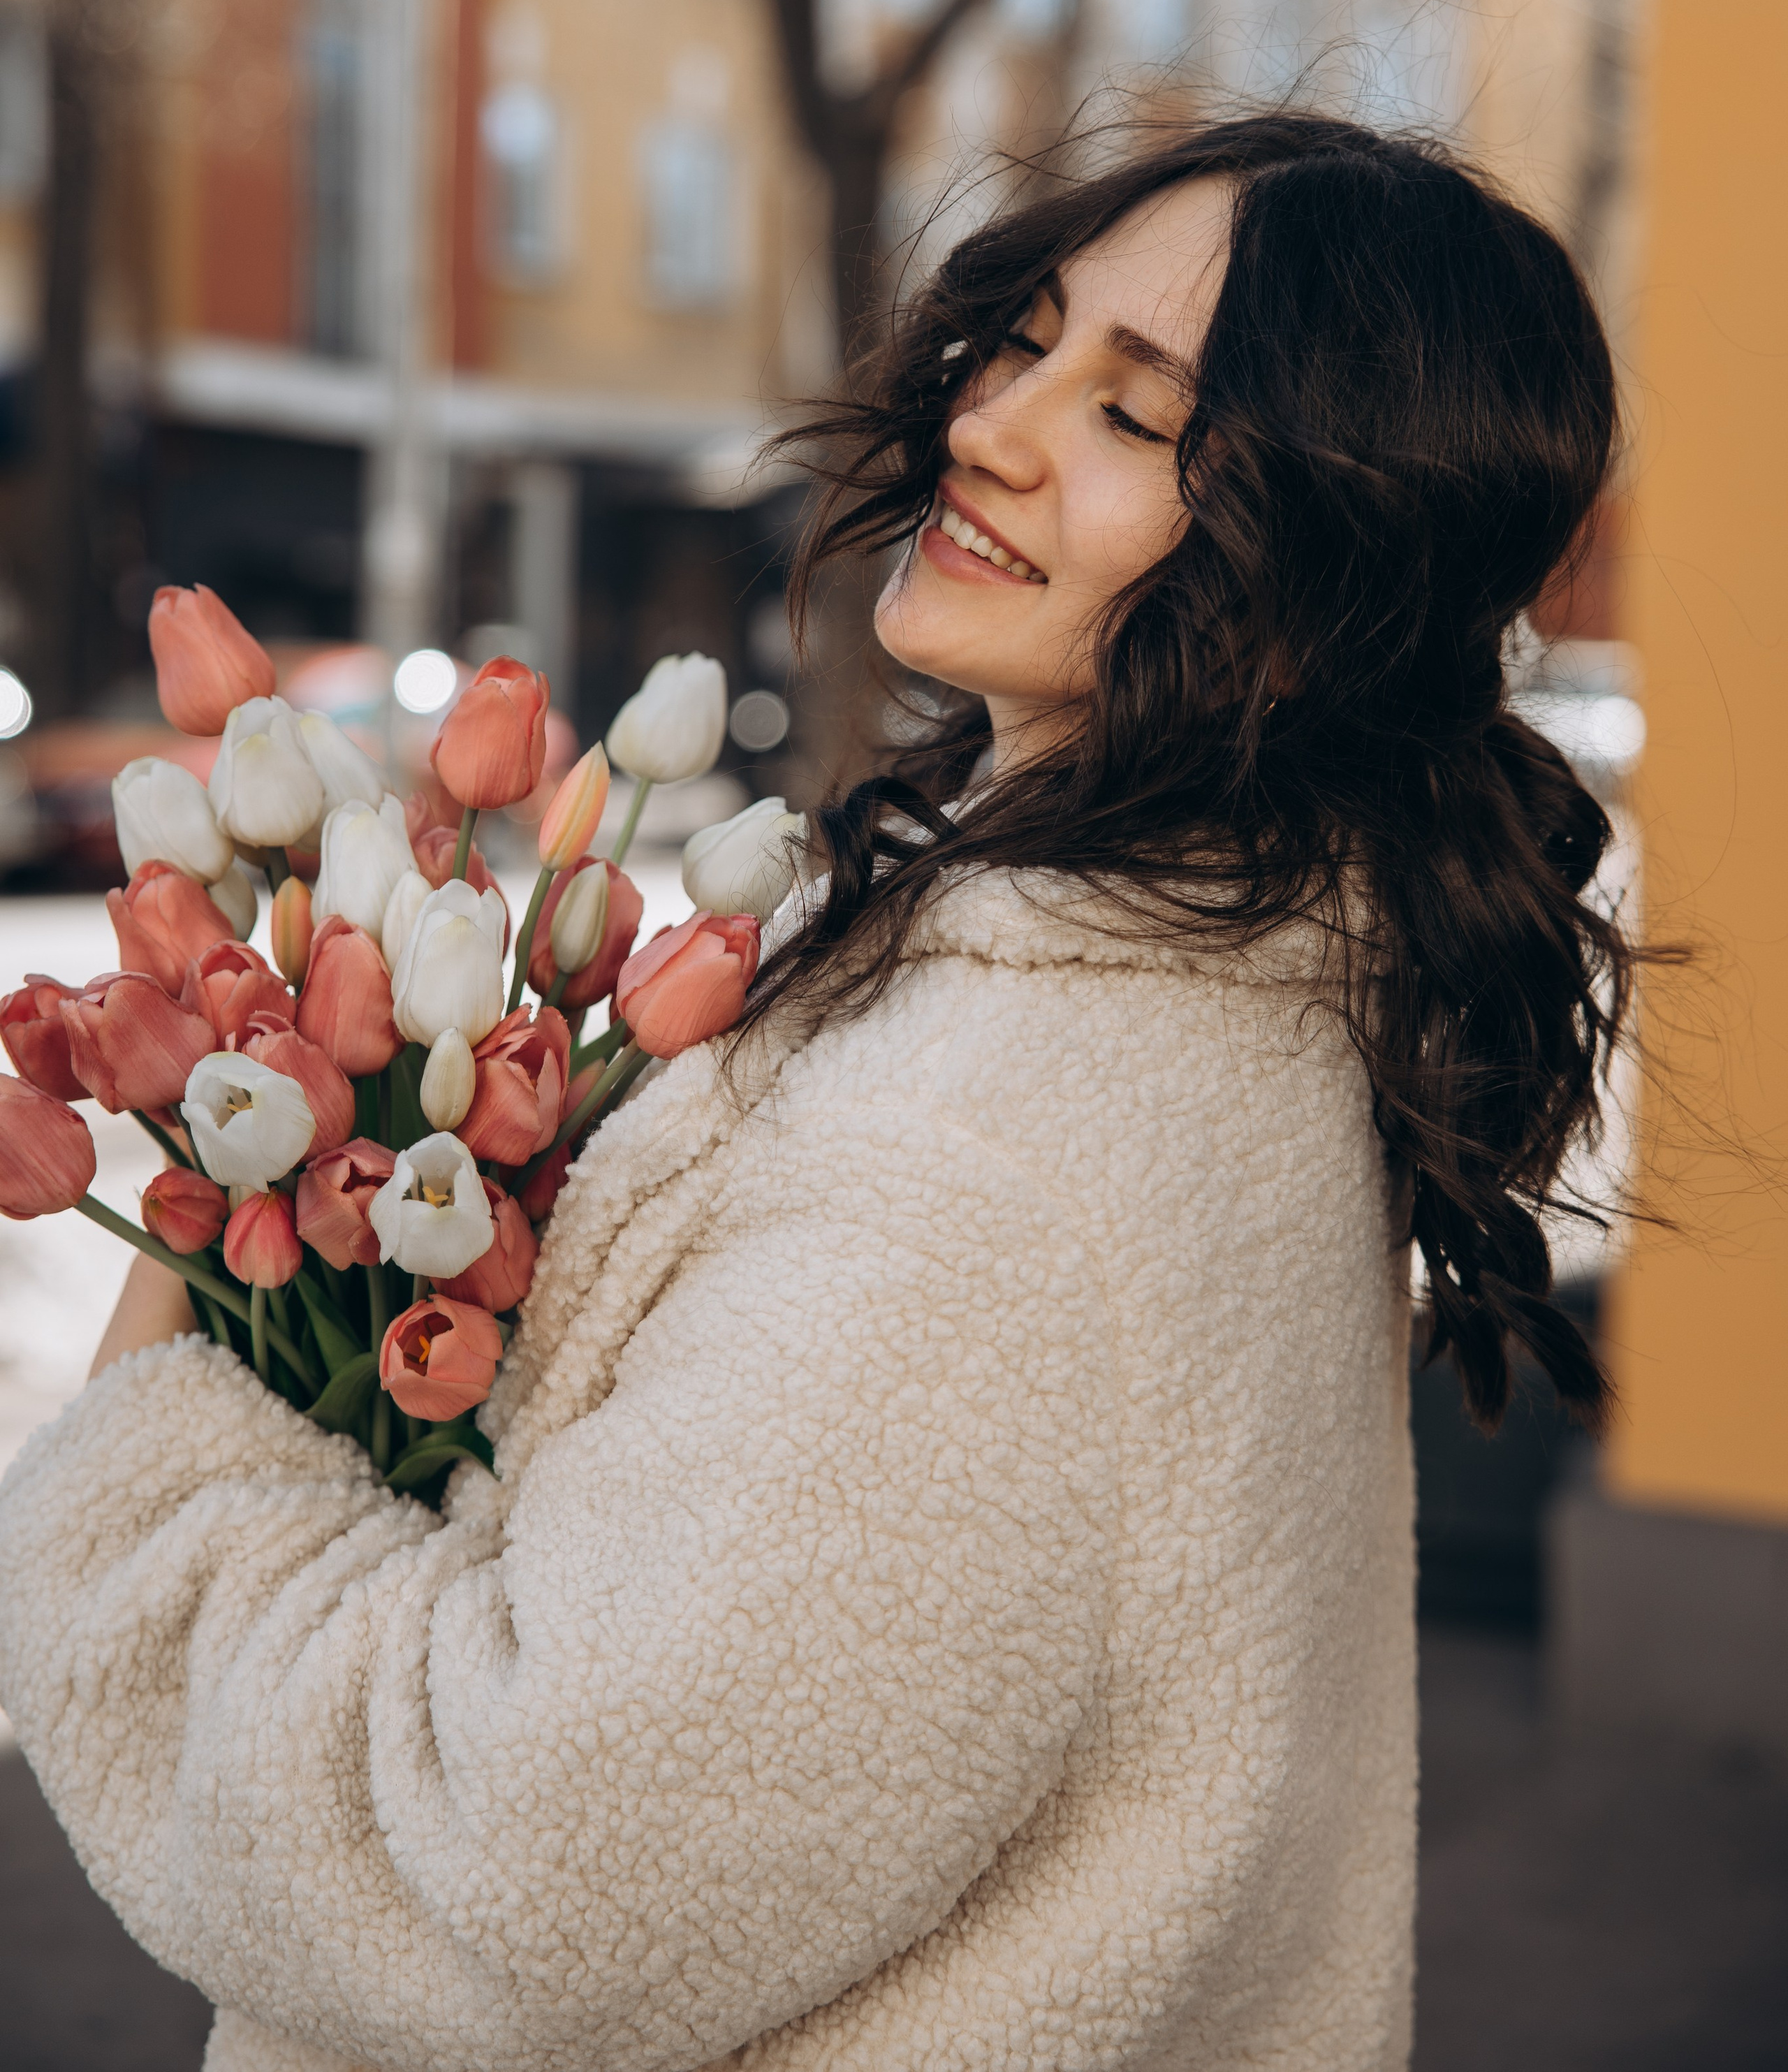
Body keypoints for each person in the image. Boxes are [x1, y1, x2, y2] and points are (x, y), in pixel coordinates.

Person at [0, 115, 1633, 2072]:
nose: (994, 427)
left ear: (1326, 576)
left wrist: (163, 1460)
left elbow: (511, 1877)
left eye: (1137, 419)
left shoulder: (987, 1162)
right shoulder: (1219, 1013)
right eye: (1024, 341)